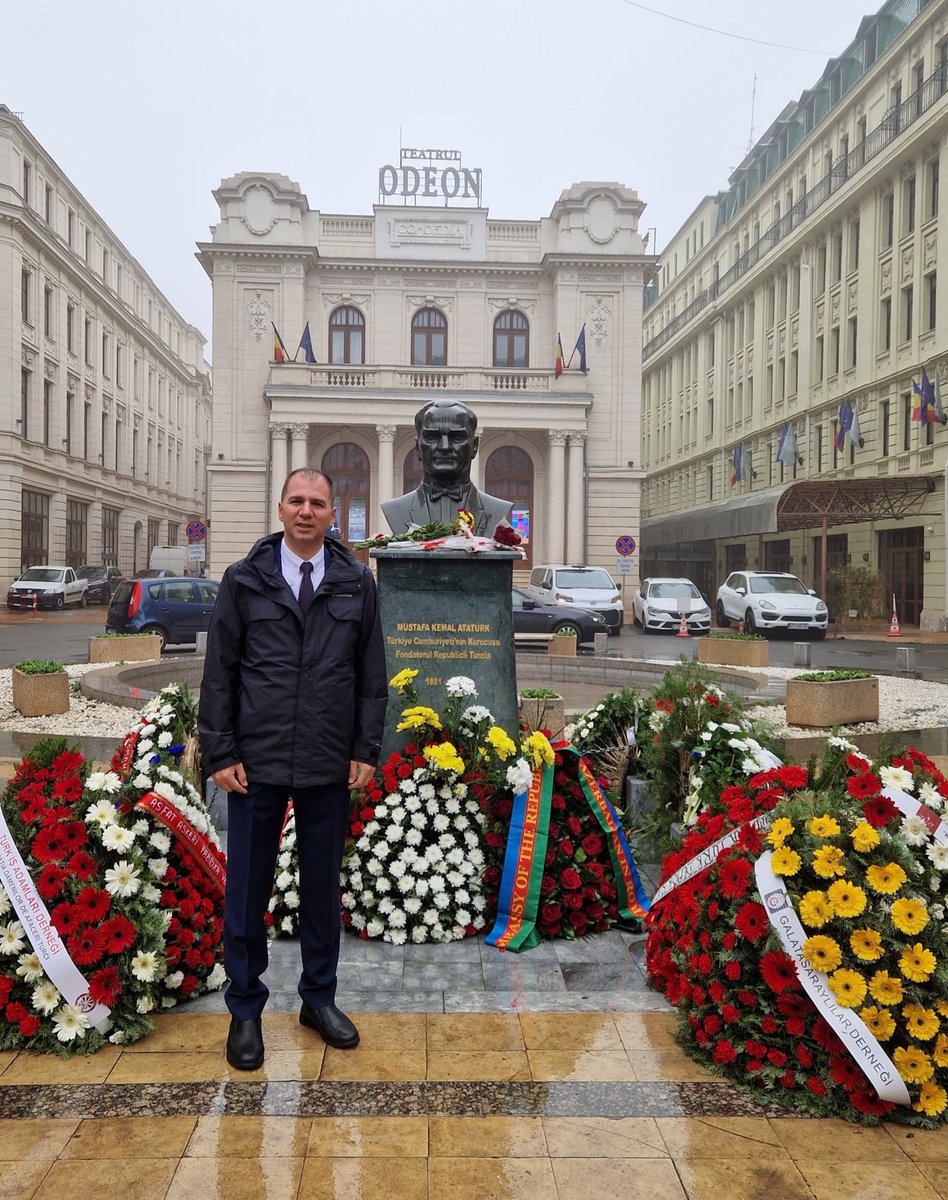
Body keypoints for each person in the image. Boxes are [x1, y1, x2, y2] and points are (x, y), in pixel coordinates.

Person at [198, 467, 387, 1070]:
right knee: (247, 888)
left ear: (334, 515)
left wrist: (364, 748)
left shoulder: (356, 582)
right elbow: (219, 672)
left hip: (329, 759)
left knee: (321, 890)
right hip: (256, 761)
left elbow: (371, 678)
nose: (307, 511)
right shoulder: (244, 579)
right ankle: (246, 1010)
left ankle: (318, 999)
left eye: (319, 503)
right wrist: (220, 752)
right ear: (280, 509)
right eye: (297, 501)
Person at [381, 398, 512, 535]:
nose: (444, 447)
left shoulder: (496, 510)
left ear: (474, 446)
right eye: (432, 437)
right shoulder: (395, 510)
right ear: (417, 447)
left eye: (457, 437)